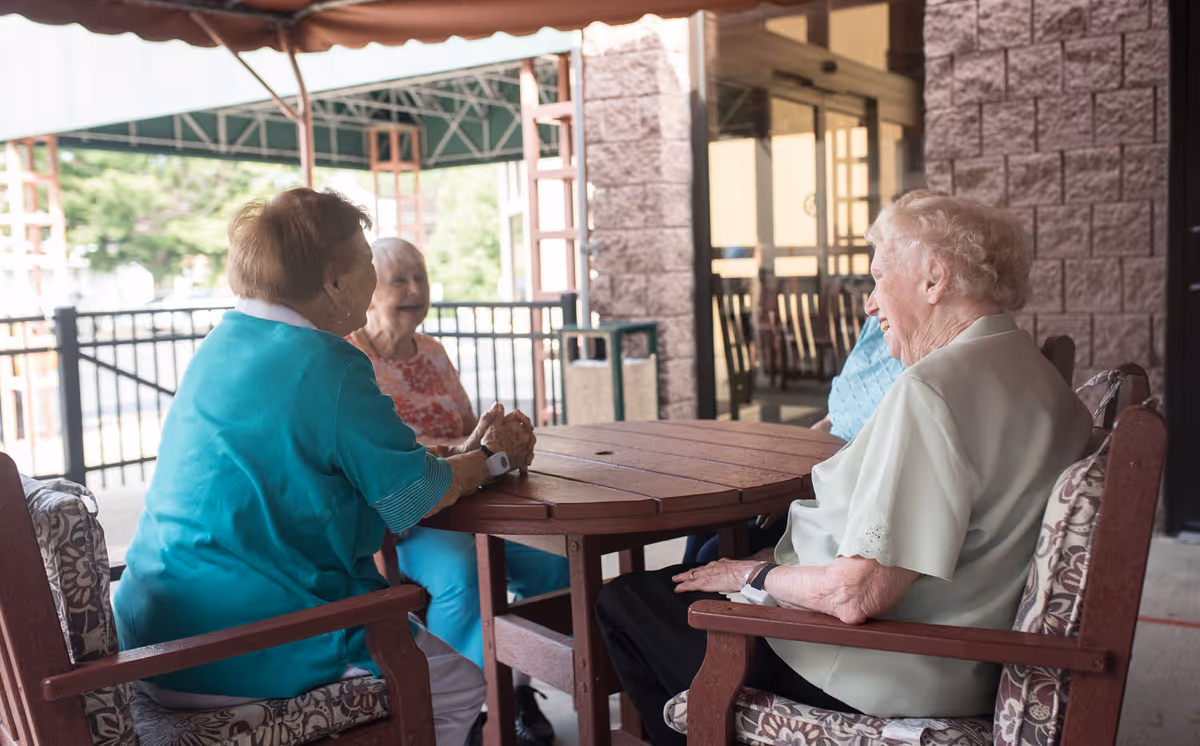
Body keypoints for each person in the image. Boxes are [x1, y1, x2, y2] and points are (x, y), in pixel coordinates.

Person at [597, 191, 1093, 746]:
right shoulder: (1040, 377)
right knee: (694, 576)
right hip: (959, 657)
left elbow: (856, 596)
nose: (869, 303)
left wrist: (752, 577)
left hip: (877, 673)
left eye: (880, 278)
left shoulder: (933, 392)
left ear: (934, 280)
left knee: (625, 602)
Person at [113, 189, 536, 746]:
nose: (374, 276)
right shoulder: (329, 362)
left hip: (158, 634)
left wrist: (468, 460)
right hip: (245, 642)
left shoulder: (225, 341)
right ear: (334, 283)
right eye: (367, 263)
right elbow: (412, 498)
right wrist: (494, 459)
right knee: (457, 685)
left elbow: (349, 464)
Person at [348, 237, 566, 746]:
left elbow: (470, 430)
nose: (414, 289)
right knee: (465, 573)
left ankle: (513, 692)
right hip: (409, 520)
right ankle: (460, 708)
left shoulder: (433, 351)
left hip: (471, 503)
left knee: (555, 563)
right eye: (398, 278)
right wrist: (469, 455)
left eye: (419, 276)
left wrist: (497, 437)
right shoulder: (350, 360)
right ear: (366, 288)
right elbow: (381, 466)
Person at [682, 314, 904, 565]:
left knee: (711, 554)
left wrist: (800, 487)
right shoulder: (877, 325)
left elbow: (880, 465)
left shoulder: (917, 360)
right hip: (815, 475)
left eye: (881, 278)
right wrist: (781, 473)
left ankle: (678, 597)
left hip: (839, 498)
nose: (869, 304)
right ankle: (676, 597)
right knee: (705, 521)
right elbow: (832, 419)